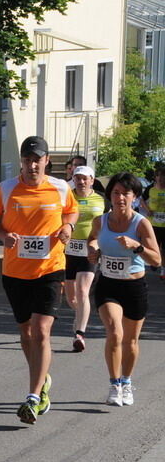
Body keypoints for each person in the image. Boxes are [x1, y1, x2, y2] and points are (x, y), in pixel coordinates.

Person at [0, 136, 78, 425]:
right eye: (27, 160)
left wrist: (68, 226)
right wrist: (3, 236)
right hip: (14, 272)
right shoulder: (7, 189)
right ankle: (42, 376)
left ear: (47, 160)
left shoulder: (61, 188)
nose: (32, 165)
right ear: (21, 161)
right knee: (25, 334)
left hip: (51, 269)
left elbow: (71, 210)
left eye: (37, 159)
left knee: (41, 331)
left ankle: (34, 396)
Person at [88, 172, 161, 407]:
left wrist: (137, 246)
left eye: (125, 194)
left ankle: (127, 382)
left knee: (130, 340)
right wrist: (92, 249)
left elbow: (156, 260)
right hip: (108, 284)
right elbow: (92, 238)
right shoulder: (101, 221)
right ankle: (114, 384)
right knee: (114, 331)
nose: (120, 198)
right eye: (116, 193)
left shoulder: (141, 224)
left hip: (134, 286)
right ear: (110, 196)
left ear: (135, 197)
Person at [64, 165, 106, 352]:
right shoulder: (66, 196)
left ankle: (80, 333)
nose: (81, 182)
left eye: (84, 178)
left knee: (83, 291)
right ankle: (79, 314)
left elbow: (107, 223)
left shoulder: (101, 199)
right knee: (71, 297)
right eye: (77, 178)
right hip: (67, 251)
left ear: (92, 180)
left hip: (89, 250)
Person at [138, 164, 165, 281]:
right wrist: (147, 210)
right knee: (154, 245)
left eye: (163, 176)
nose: (160, 178)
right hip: (153, 223)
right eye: (158, 176)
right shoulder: (150, 188)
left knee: (164, 248)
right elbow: (141, 199)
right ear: (155, 177)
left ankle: (163, 269)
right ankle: (155, 262)